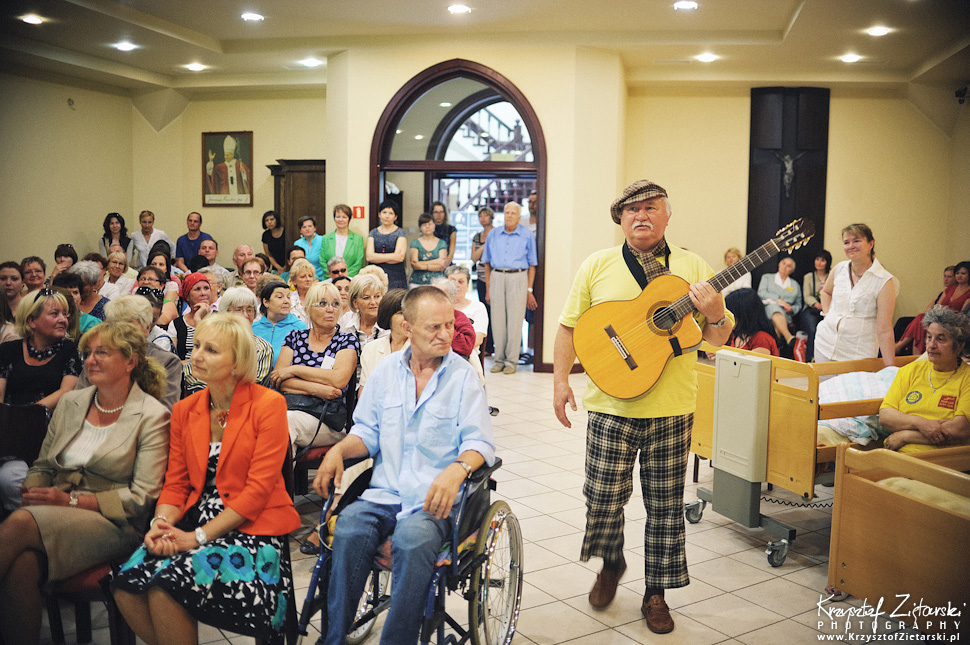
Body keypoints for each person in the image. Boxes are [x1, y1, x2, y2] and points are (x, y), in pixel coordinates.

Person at [553, 180, 733, 634]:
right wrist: (559, 381)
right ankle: (610, 562)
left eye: (651, 207)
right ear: (621, 219)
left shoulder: (694, 267)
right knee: (602, 499)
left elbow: (716, 339)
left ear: (667, 215)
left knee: (666, 507)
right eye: (631, 209)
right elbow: (569, 327)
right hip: (610, 405)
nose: (641, 216)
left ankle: (656, 593)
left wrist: (714, 313)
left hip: (671, 408)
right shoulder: (597, 265)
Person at [315, 286, 495, 645]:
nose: (445, 334)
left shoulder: (463, 377)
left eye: (449, 324)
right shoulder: (385, 372)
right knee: (349, 527)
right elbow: (367, 432)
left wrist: (457, 469)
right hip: (384, 492)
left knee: (412, 540)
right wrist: (338, 451)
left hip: (433, 501)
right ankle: (333, 639)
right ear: (408, 328)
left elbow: (480, 443)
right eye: (434, 327)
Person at [113, 314, 299, 643]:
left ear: (237, 362)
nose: (196, 355)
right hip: (194, 519)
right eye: (197, 345)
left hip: (252, 528)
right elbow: (176, 483)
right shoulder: (185, 410)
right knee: (125, 585)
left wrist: (196, 538)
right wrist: (161, 523)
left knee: (165, 586)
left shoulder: (269, 404)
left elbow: (257, 492)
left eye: (211, 350)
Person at [0, 321, 170, 643]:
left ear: (130, 362)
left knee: (20, 522)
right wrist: (32, 491)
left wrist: (70, 501)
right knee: (22, 566)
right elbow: (43, 464)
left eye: (102, 353)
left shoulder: (152, 416)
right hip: (54, 510)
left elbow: (141, 498)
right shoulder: (72, 402)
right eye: (87, 353)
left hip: (114, 522)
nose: (90, 360)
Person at [0, 289, 82, 514]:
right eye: (55, 314)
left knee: (12, 479)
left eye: (65, 314)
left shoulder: (71, 350)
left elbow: (66, 392)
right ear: (31, 321)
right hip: (8, 431)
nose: (63, 319)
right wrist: (9, 419)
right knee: (8, 474)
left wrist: (26, 415)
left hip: (49, 431)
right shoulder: (8, 350)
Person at [271, 282, 360, 448]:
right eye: (322, 303)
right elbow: (278, 379)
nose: (330, 309)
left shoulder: (346, 341)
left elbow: (338, 379)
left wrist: (295, 370)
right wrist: (318, 389)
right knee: (283, 433)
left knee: (286, 422)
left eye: (335, 304)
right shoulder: (294, 337)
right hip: (292, 410)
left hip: (329, 420)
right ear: (307, 310)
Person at [880, 306, 970, 452]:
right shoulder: (910, 371)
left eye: (940, 339)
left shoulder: (967, 378)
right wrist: (919, 423)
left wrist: (906, 436)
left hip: (942, 458)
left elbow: (960, 429)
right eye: (929, 337)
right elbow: (885, 416)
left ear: (959, 345)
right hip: (896, 455)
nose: (932, 345)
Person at [75, 296, 182, 410]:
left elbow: (165, 410)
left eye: (128, 326)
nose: (121, 332)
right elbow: (78, 402)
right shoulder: (96, 359)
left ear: (146, 328)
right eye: (115, 325)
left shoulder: (167, 361)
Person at [815, 223, 898, 366]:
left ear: (871, 244)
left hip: (857, 354)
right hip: (825, 345)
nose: (851, 246)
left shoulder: (884, 281)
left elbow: (884, 330)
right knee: (822, 382)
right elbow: (826, 292)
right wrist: (828, 315)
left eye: (856, 241)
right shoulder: (839, 269)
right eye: (846, 242)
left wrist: (890, 368)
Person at [183, 287, 274, 394]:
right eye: (239, 310)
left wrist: (214, 385)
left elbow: (252, 383)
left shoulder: (262, 347)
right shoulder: (212, 342)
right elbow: (191, 373)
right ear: (225, 313)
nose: (245, 315)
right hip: (203, 397)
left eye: (249, 310)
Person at [481, 202, 537, 375]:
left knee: (515, 321)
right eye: (507, 212)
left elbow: (532, 265)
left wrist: (529, 290)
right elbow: (487, 263)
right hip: (497, 276)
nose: (509, 215)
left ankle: (511, 361)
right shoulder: (493, 234)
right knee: (497, 320)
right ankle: (499, 360)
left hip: (518, 277)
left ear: (519, 217)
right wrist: (488, 289)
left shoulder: (527, 235)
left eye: (513, 213)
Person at [896, 261, 970, 355]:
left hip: (952, 321)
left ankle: (900, 346)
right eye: (957, 273)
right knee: (920, 320)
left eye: (963, 273)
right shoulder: (950, 289)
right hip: (938, 317)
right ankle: (914, 356)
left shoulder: (968, 292)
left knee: (921, 319)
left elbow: (962, 314)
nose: (959, 276)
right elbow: (937, 305)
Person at [359, 288, 408, 391]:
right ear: (388, 315)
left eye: (411, 312)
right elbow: (364, 391)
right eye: (401, 313)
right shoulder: (370, 349)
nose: (407, 318)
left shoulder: (421, 349)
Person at [253, 281, 307, 366]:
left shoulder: (299, 328)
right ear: (266, 302)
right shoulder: (253, 328)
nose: (286, 301)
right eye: (280, 297)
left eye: (288, 297)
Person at [757, 256, 802, 353]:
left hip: (786, 314)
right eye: (783, 263)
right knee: (774, 308)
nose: (785, 267)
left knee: (776, 324)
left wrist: (792, 308)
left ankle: (774, 351)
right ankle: (788, 337)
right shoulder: (767, 277)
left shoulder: (795, 285)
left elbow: (798, 304)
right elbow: (761, 293)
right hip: (767, 309)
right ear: (779, 265)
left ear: (791, 270)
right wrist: (778, 301)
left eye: (789, 266)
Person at [446, 264, 489, 367]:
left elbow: (477, 340)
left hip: (466, 355)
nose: (456, 285)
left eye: (461, 282)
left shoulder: (478, 307)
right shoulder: (438, 306)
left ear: (468, 285)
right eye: (452, 281)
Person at [169, 272, 213, 361]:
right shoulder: (176, 324)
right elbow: (171, 359)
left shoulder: (220, 319)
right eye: (197, 289)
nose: (203, 293)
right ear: (187, 296)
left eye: (206, 288)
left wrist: (198, 319)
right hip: (183, 368)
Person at [798, 250, 832, 363]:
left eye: (822, 260)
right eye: (817, 259)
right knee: (813, 329)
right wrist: (816, 304)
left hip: (829, 309)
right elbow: (807, 296)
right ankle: (811, 359)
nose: (819, 262)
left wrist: (826, 305)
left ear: (827, 262)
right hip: (811, 309)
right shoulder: (808, 277)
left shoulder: (832, 276)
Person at [338, 273, 387, 350]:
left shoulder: (390, 324)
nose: (373, 302)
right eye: (366, 298)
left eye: (377, 296)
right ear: (355, 303)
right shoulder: (346, 321)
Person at [724, 289, 780, 356]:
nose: (727, 318)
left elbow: (753, 363)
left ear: (743, 316)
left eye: (731, 314)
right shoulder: (736, 335)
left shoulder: (762, 339)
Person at [366, 200, 408, 290]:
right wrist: (392, 256)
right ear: (379, 214)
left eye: (391, 213)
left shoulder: (400, 232)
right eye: (384, 212)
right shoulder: (373, 232)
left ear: (395, 217)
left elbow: (399, 257)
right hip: (376, 276)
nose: (387, 216)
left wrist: (377, 257)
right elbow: (369, 257)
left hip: (397, 277)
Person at [470, 207, 494, 355]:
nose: (483, 218)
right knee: (485, 310)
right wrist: (485, 244)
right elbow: (474, 257)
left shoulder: (497, 233)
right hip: (480, 277)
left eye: (486, 215)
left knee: (495, 313)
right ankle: (487, 346)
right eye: (480, 216)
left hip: (495, 277)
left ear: (491, 217)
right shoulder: (477, 236)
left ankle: (496, 345)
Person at [321, 204, 365, 278]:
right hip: (329, 280)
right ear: (334, 218)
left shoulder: (358, 239)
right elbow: (322, 261)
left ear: (349, 219)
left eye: (344, 217)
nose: (340, 220)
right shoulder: (326, 238)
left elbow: (358, 263)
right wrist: (334, 276)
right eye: (338, 217)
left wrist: (344, 277)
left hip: (350, 279)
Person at [409, 213, 448, 288]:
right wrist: (436, 262)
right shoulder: (415, 243)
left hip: (438, 282)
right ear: (420, 227)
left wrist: (420, 264)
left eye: (429, 224)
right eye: (424, 224)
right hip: (417, 282)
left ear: (434, 225)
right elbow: (414, 264)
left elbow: (442, 264)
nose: (427, 227)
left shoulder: (441, 243)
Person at [288, 258, 317, 327]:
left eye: (310, 276)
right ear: (294, 281)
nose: (308, 279)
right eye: (303, 276)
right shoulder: (289, 299)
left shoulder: (319, 297)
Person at [295, 216, 325, 280]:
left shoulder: (323, 240)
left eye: (310, 226)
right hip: (304, 278)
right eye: (304, 227)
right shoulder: (297, 243)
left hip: (321, 278)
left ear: (315, 228)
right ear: (300, 230)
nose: (307, 229)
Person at [431, 200, 457, 266]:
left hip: (446, 264)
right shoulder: (428, 229)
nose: (439, 215)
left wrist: (444, 265)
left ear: (444, 213)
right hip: (431, 263)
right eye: (436, 212)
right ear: (432, 214)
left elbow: (451, 253)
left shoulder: (451, 229)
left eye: (441, 212)